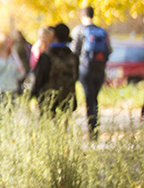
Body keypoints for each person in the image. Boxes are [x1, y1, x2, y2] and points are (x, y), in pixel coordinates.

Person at [71, 6, 113, 139]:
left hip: (85, 70)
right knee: (94, 99)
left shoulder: (79, 30)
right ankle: (95, 127)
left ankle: (92, 131)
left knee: (89, 99)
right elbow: (109, 50)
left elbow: (74, 51)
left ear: (82, 15)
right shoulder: (102, 31)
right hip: (100, 70)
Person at [31, 24, 79, 117]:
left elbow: (39, 77)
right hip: (67, 95)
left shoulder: (47, 56)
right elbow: (76, 76)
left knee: (47, 124)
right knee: (63, 124)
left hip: (48, 97)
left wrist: (33, 93)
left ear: (53, 34)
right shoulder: (73, 56)